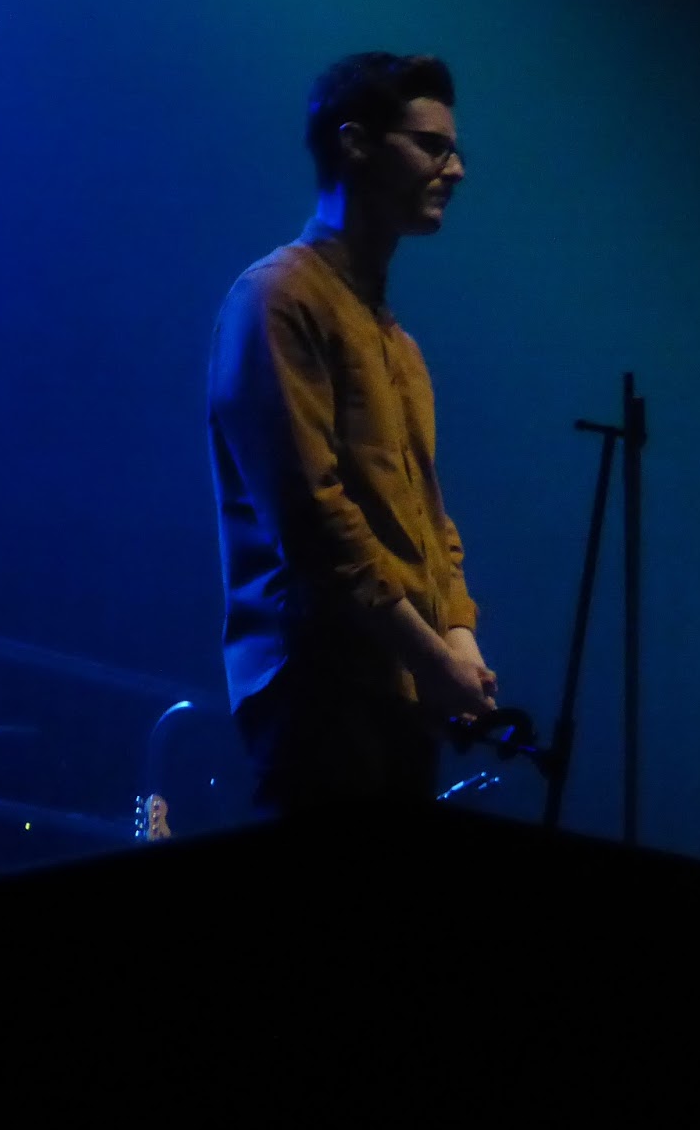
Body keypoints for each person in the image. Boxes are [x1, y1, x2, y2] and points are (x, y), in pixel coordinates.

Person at [207, 52, 496, 815]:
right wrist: (435, 657)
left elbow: (431, 521)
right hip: (319, 689)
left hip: (398, 692)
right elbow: (316, 525)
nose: (456, 169)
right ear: (356, 143)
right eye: (432, 145)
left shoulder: (399, 344)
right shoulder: (279, 298)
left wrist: (458, 635)